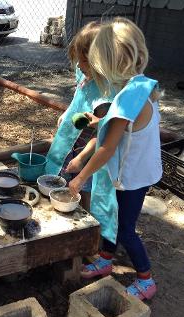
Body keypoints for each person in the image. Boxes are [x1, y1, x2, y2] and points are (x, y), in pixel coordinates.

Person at [68, 17, 162, 300]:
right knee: (111, 214)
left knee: (124, 228)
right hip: (135, 169)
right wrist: (99, 120)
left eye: (97, 62)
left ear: (110, 62)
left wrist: (81, 177)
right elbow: (123, 125)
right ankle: (106, 258)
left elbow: (108, 148)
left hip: (133, 176)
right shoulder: (139, 85)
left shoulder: (126, 99)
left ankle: (145, 278)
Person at [45, 21, 112, 212]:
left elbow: (104, 133)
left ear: (100, 60)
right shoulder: (85, 74)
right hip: (70, 139)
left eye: (83, 61)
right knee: (66, 177)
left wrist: (82, 157)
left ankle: (87, 220)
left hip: (86, 148)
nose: (79, 65)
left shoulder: (105, 94)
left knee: (84, 186)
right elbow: (79, 95)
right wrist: (67, 112)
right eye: (77, 60)